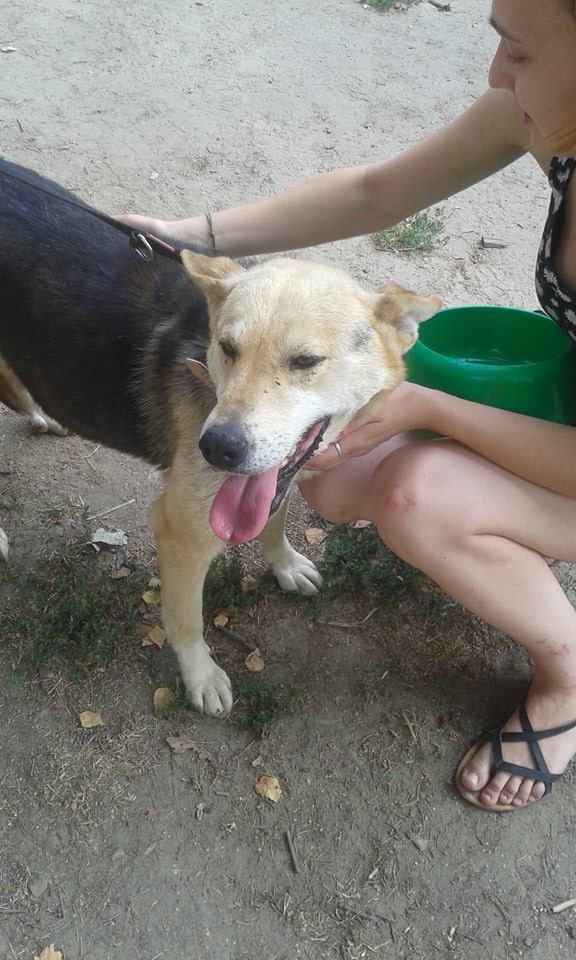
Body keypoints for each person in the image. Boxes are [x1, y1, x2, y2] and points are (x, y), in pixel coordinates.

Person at [121, 0, 576, 812]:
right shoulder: (545, 109)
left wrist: (431, 408)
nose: (494, 73)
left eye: (518, 49)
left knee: (411, 493)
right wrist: (191, 233)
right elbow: (376, 191)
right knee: (328, 475)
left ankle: (567, 677)